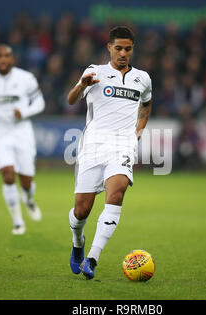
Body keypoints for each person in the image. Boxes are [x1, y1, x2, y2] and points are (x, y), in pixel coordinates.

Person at [66, 26, 152, 279]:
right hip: (93, 145)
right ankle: (78, 242)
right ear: (109, 48)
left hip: (123, 145)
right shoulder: (94, 72)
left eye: (128, 49)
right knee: (81, 211)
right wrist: (81, 84)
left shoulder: (143, 78)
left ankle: (92, 258)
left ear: (132, 49)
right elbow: (71, 100)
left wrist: (139, 129)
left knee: (117, 193)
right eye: (118, 48)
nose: (123, 53)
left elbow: (146, 103)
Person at [0, 45, 45, 235]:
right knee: (8, 174)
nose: (3, 59)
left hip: (22, 132)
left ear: (12, 59)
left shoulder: (26, 78)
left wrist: (24, 112)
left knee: (26, 181)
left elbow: (40, 103)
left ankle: (29, 199)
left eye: (7, 56)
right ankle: (17, 222)